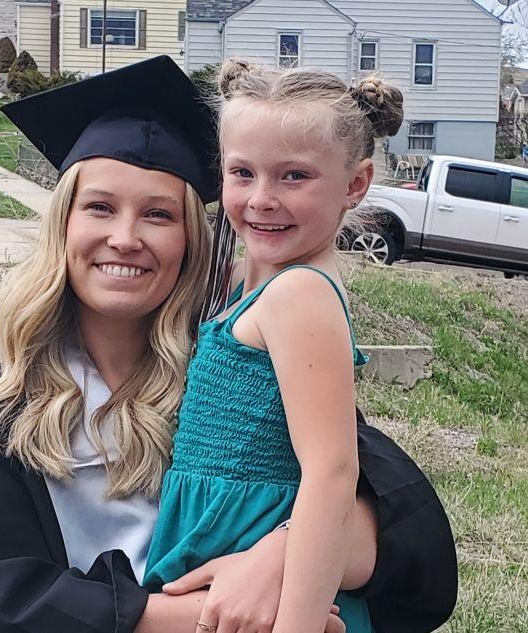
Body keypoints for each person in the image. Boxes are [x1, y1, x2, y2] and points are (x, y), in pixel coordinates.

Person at [0, 56, 348, 633]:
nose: (125, 239)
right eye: (99, 207)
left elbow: (381, 501)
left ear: (191, 240)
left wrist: (279, 553)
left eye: (158, 214)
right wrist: (204, 618)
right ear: (63, 226)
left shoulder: (235, 373)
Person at [143, 60, 458, 633]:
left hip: (279, 591)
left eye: (294, 176)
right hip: (231, 549)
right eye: (242, 172)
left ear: (355, 185)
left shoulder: (299, 296)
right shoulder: (254, 284)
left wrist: (297, 624)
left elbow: (331, 474)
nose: (262, 198)